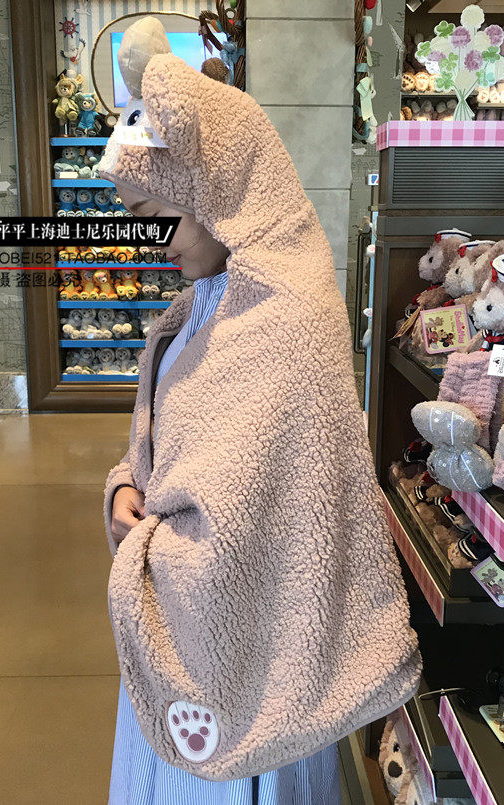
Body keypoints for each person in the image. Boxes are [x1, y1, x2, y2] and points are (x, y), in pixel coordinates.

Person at [102, 18, 420, 804]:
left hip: (258, 670)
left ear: (209, 187)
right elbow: (166, 449)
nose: (150, 242)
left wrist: (145, 551)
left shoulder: (284, 318)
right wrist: (123, 487)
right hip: (191, 648)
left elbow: (258, 530)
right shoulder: (194, 311)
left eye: (154, 214)